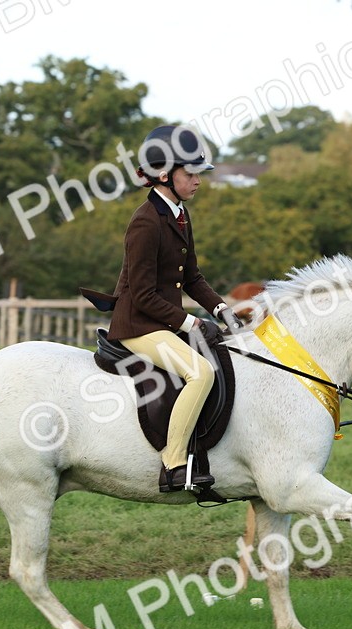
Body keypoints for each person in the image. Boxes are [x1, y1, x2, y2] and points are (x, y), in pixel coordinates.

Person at [84, 125, 239, 494]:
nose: (198, 180)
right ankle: (173, 462)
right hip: (139, 325)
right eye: (191, 173)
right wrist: (191, 323)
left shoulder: (179, 213)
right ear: (165, 175)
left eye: (199, 174)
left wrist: (222, 310)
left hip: (161, 322)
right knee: (200, 373)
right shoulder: (145, 221)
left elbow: (192, 277)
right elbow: (141, 295)